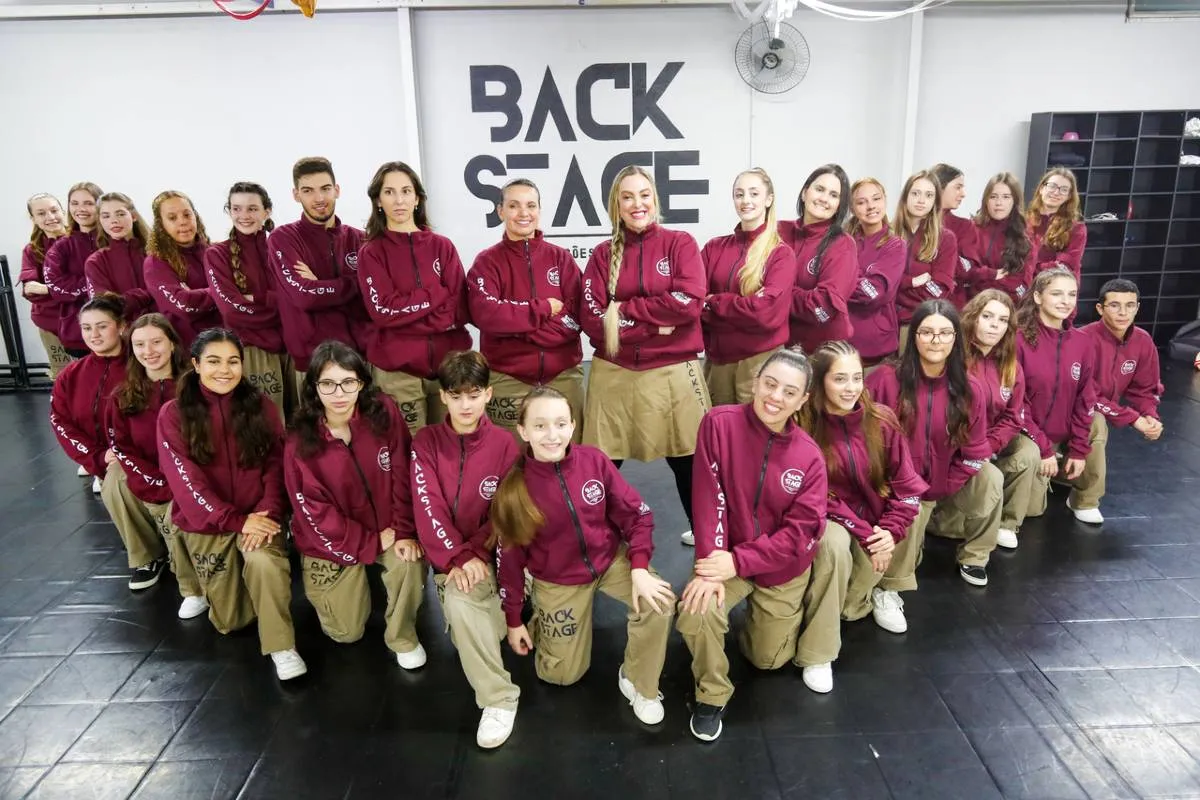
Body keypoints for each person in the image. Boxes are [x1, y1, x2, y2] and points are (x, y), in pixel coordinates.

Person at [676, 348, 838, 741]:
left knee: (767, 661)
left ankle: (777, 618)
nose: (775, 397)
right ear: (755, 381)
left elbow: (800, 535)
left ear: (802, 401)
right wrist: (713, 564)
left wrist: (741, 561)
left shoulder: (810, 458)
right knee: (695, 612)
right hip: (723, 554)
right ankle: (712, 692)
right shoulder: (718, 423)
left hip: (776, 567)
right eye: (769, 384)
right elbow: (707, 499)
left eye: (788, 391)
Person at [494, 386, 675, 731]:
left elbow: (638, 516)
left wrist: (638, 567)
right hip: (557, 578)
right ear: (523, 431)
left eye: (561, 424)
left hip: (608, 561)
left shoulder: (594, 461)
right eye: (541, 426)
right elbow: (510, 561)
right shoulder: (514, 488)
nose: (552, 435)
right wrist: (513, 618)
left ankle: (639, 682)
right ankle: (543, 622)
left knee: (660, 603)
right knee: (561, 676)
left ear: (573, 425)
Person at [157, 329, 306, 681]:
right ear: (195, 364)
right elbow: (185, 481)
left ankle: (281, 646)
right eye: (213, 361)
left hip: (259, 518)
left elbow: (275, 464)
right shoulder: (174, 414)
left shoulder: (261, 406)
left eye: (233, 361)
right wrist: (236, 521)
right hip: (210, 522)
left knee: (264, 564)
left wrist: (266, 512)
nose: (224, 370)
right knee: (232, 622)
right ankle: (206, 584)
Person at [580, 165, 710, 547]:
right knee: (601, 464)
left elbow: (689, 304)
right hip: (614, 373)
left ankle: (707, 545)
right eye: (627, 197)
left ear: (655, 199)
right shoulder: (603, 255)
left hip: (672, 373)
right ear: (616, 206)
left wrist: (625, 313)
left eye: (644, 195)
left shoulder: (680, 243)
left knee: (689, 463)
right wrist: (659, 327)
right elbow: (592, 319)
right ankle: (591, 540)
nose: (637, 204)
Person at [285, 341, 426, 665]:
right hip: (334, 542)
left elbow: (405, 473)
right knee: (346, 633)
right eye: (328, 383)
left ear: (362, 382)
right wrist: (369, 543)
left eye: (349, 382)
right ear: (313, 387)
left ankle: (401, 635)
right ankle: (352, 582)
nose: (339, 393)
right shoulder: (300, 441)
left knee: (409, 560)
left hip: (389, 527)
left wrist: (403, 531)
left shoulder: (384, 411)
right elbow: (314, 516)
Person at [410, 351, 521, 749]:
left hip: (493, 557)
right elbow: (427, 504)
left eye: (473, 394)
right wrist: (457, 556)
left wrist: (475, 552)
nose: (465, 405)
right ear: (442, 397)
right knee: (461, 607)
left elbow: (503, 513)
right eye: (456, 396)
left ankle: (507, 609)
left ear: (489, 394)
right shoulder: (425, 442)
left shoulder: (506, 445)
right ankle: (500, 699)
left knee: (483, 628)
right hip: (450, 559)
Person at [866, 300, 1001, 603]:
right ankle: (890, 588)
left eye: (944, 333)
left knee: (991, 476)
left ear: (956, 338)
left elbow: (976, 451)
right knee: (912, 503)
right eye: (927, 332)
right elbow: (861, 441)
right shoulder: (884, 379)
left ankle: (975, 556)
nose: (936, 340)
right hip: (897, 484)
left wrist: (944, 485)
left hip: (942, 479)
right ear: (913, 336)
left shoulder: (970, 388)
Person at [796, 340, 927, 634]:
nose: (851, 388)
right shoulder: (804, 426)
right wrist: (868, 536)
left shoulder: (882, 419)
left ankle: (888, 590)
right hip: (838, 519)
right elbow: (819, 498)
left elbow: (906, 484)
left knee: (914, 512)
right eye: (839, 379)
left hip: (877, 516)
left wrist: (890, 531)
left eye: (857, 377)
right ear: (820, 382)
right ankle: (843, 601)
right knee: (836, 554)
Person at [467, 178, 585, 435]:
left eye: (531, 205)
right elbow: (486, 315)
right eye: (514, 205)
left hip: (563, 377)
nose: (524, 213)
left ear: (539, 211)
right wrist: (541, 310)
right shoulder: (486, 263)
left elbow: (578, 316)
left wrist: (514, 326)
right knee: (512, 465)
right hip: (509, 380)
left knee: (569, 458)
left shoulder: (561, 258)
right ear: (500, 211)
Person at [105, 314, 203, 607]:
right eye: (139, 344)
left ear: (173, 344)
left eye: (156, 342)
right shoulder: (123, 395)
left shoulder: (196, 387)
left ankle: (191, 582)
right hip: (150, 474)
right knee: (114, 478)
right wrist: (155, 482)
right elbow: (120, 446)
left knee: (181, 504)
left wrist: (177, 482)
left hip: (189, 474)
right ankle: (147, 557)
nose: (149, 351)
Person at [699, 168, 794, 405]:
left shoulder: (781, 254)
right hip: (717, 365)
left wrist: (715, 302)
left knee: (757, 436)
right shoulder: (714, 248)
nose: (745, 201)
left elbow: (765, 313)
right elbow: (693, 301)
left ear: (768, 199)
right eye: (739, 194)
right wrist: (742, 307)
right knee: (718, 435)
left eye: (754, 193)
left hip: (759, 364)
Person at [269, 157, 368, 381]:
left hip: (359, 360)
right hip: (311, 365)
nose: (319, 198)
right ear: (296, 195)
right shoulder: (283, 238)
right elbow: (304, 296)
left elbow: (370, 297)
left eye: (325, 188)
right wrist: (351, 284)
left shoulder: (360, 239)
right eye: (308, 190)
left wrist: (320, 285)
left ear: (337, 190)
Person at [1015, 267, 1101, 524]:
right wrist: (1042, 447)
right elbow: (1015, 403)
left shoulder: (1082, 342)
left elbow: (1086, 398)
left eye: (1072, 294)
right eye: (1057, 294)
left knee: (1098, 422)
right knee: (1032, 511)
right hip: (1027, 436)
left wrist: (1078, 449)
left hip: (1060, 434)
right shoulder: (1018, 339)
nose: (1066, 301)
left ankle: (1085, 497)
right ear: (1039, 297)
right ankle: (1044, 476)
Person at [959, 291, 1039, 550]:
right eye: (988, 316)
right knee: (989, 474)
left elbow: (1014, 416)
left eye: (1003, 320)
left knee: (1028, 451)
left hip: (992, 439)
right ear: (973, 317)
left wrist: (990, 446)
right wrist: (976, 448)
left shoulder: (1010, 364)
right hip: (960, 440)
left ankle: (1008, 523)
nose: (995, 324)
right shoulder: (954, 355)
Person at [205, 182, 291, 419]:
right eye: (237, 208)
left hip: (293, 346)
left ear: (267, 211)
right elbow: (231, 311)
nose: (244, 215)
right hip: (253, 349)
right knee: (267, 423)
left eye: (252, 208)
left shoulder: (284, 248)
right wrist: (281, 305)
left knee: (303, 421)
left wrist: (259, 298)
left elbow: (299, 299)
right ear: (229, 211)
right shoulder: (216, 254)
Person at [1079, 279, 1163, 518]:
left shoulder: (1143, 340)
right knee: (1095, 419)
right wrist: (1132, 418)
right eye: (1115, 305)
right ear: (1099, 309)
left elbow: (1145, 389)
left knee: (1097, 420)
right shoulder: (1083, 339)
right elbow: (1086, 395)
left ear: (1138, 307)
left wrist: (1150, 416)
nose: (1123, 312)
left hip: (1102, 411)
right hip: (1067, 412)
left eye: (1130, 305)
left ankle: (1085, 501)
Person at [48, 294, 129, 494]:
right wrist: (98, 458)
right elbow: (60, 421)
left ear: (121, 327)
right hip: (101, 465)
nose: (94, 335)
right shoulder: (70, 375)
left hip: (138, 467)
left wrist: (121, 457)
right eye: (86, 328)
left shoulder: (140, 367)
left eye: (102, 326)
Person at [778, 164, 856, 354]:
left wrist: (775, 295)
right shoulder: (778, 231)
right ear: (805, 193)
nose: (824, 198)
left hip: (822, 352)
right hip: (779, 346)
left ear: (840, 205)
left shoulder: (843, 244)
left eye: (834, 195)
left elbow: (822, 307)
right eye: (819, 189)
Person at [144, 190, 220, 348]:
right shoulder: (156, 263)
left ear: (195, 216)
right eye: (172, 218)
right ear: (161, 224)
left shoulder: (215, 252)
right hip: (190, 351)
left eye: (187, 215)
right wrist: (223, 290)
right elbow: (185, 306)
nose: (183, 222)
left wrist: (197, 294)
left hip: (228, 342)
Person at [893, 171, 958, 350]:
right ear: (905, 197)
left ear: (935, 202)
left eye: (929, 195)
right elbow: (882, 287)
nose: (921, 200)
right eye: (915, 193)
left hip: (920, 324)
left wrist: (898, 289)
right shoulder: (888, 234)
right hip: (887, 325)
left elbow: (939, 290)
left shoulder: (946, 238)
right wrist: (911, 282)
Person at [845, 178, 905, 367]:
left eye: (876, 199)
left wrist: (843, 282)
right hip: (843, 343)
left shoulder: (895, 245)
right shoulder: (844, 242)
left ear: (885, 201)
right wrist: (860, 278)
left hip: (877, 346)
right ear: (852, 208)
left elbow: (874, 293)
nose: (870, 206)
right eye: (861, 202)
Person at [43, 181, 103, 357]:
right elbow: (56, 287)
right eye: (74, 203)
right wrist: (96, 282)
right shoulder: (61, 247)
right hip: (79, 336)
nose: (80, 209)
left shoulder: (114, 241)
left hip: (120, 331)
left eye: (88, 203)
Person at [19, 193, 72, 378]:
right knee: (62, 375)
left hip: (85, 322)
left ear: (63, 211)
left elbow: (88, 285)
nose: (50, 217)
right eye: (41, 213)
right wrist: (66, 290)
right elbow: (30, 290)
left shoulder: (80, 242)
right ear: (33, 218)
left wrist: (48, 288)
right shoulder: (32, 250)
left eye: (54, 210)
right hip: (50, 323)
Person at [85, 192, 154, 322]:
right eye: (106, 216)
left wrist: (125, 298)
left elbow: (169, 293)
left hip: (165, 329)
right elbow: (106, 307)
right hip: (124, 334)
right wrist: (147, 294)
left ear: (133, 216)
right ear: (100, 220)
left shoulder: (155, 252)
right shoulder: (95, 261)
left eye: (120, 214)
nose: (114, 221)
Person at [971, 173, 1033, 304]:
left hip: (1007, 306)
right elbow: (964, 272)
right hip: (971, 303)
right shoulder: (971, 229)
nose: (999, 203)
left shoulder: (1026, 237)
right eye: (993, 197)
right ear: (986, 200)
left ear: (1015, 201)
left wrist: (982, 277)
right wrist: (991, 274)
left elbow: (1021, 284)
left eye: (1006, 197)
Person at [932, 163, 984, 308]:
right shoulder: (914, 223)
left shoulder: (964, 226)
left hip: (951, 307)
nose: (963, 193)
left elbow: (967, 270)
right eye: (958, 187)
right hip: (913, 307)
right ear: (940, 187)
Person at [1027, 168, 1086, 285]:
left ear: (1069, 196)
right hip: (1025, 286)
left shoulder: (1077, 228)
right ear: (1041, 188)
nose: (1056, 192)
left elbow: (1064, 267)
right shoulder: (1024, 221)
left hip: (1056, 287)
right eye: (1052, 186)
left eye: (1064, 190)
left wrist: (1030, 268)